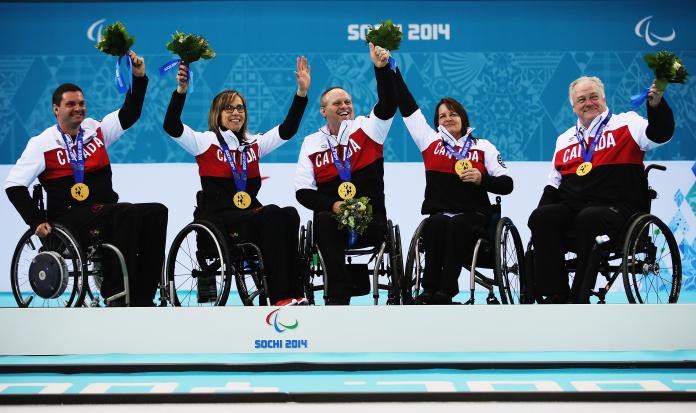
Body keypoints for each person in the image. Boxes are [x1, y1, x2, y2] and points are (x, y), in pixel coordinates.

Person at [5, 51, 167, 307]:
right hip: (69, 218)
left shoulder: (95, 130)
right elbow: (13, 186)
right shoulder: (41, 143)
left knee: (156, 212)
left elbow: (131, 113)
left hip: (105, 210)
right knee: (123, 213)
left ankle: (143, 295)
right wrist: (35, 221)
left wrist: (138, 77)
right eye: (71, 104)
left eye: (81, 103)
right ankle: (117, 293)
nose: (78, 108)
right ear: (56, 109)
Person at [163, 57, 311, 306]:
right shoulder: (204, 142)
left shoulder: (253, 144)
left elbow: (287, 130)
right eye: (229, 108)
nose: (236, 112)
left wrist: (301, 93)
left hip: (250, 218)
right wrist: (181, 92)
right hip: (220, 221)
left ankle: (296, 292)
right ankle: (278, 296)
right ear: (217, 114)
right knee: (274, 212)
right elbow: (171, 125)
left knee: (289, 214)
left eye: (240, 108)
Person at [528, 76, 674, 304]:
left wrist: (655, 106)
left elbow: (660, 134)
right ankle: (556, 294)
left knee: (589, 218)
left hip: (619, 211)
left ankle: (579, 296)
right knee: (542, 218)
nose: (589, 103)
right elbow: (554, 184)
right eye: (582, 99)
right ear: (573, 106)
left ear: (604, 98)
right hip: (574, 210)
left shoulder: (628, 123)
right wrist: (537, 223)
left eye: (594, 96)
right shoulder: (565, 139)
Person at [393, 70, 513, 304]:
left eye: (452, 114)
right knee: (436, 223)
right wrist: (392, 69)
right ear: (437, 122)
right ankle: (428, 290)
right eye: (442, 116)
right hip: (441, 214)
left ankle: (446, 291)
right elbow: (407, 106)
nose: (447, 119)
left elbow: (507, 184)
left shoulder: (483, 146)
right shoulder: (429, 140)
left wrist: (482, 179)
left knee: (457, 224)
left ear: (462, 117)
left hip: (473, 217)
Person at [294, 44, 397, 305]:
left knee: (331, 221)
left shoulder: (368, 128)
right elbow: (303, 191)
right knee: (325, 220)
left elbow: (387, 105)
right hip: (332, 224)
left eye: (348, 102)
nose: (344, 106)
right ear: (323, 110)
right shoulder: (311, 142)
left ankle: (340, 291)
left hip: (370, 221)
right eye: (337, 103)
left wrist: (381, 68)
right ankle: (338, 293)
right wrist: (333, 205)